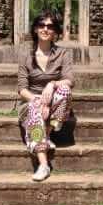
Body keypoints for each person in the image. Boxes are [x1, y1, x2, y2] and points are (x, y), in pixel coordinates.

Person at [17, 10, 75, 182]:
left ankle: (48, 130)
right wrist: (38, 100)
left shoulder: (63, 54)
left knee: (65, 90)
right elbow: (22, 89)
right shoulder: (26, 56)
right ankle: (43, 164)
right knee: (35, 107)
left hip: (54, 105)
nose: (45, 29)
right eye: (41, 25)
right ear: (35, 29)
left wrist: (52, 84)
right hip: (30, 103)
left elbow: (70, 80)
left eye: (50, 26)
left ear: (55, 32)